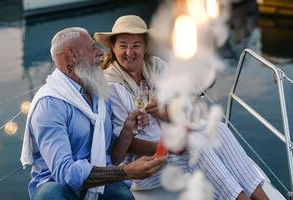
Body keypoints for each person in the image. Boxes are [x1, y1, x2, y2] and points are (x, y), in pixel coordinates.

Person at [94, 15, 269, 200]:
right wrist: (171, 146)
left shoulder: (157, 67)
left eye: (136, 45)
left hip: (171, 138)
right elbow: (123, 143)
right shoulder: (110, 86)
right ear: (113, 48)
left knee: (218, 129)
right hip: (144, 163)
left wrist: (166, 111)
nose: (130, 52)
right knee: (196, 146)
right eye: (123, 45)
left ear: (145, 47)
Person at [20, 27, 166, 200]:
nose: (101, 53)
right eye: (92, 48)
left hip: (98, 180)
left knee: (123, 196)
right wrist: (127, 171)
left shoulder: (99, 94)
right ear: (72, 55)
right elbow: (64, 172)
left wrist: (127, 129)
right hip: (59, 186)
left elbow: (112, 156)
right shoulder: (50, 104)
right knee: (50, 195)